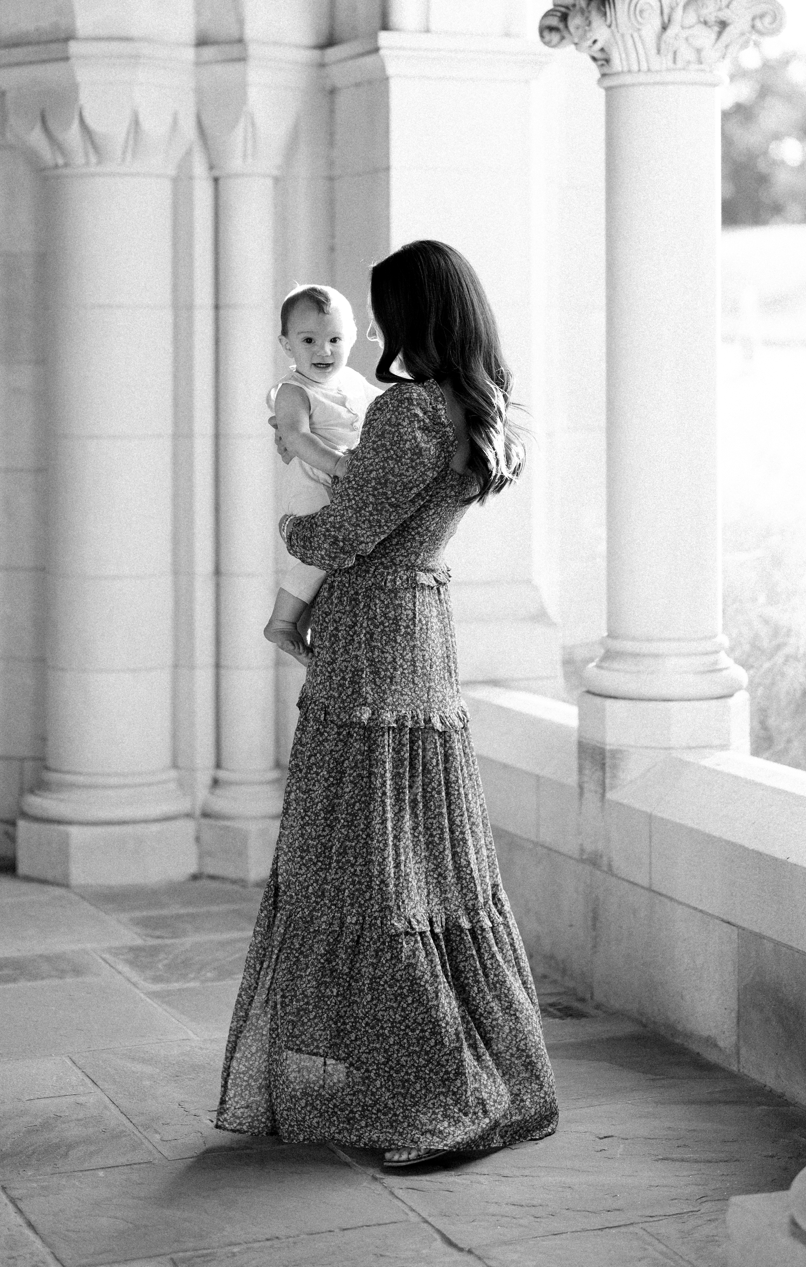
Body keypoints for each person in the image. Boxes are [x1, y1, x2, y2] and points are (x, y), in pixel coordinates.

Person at [217, 238, 559, 1167]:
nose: (368, 331)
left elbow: (344, 526)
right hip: (421, 625)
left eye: (381, 311)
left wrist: (286, 524)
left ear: (413, 315)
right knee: (418, 851)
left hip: (373, 634)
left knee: (374, 860)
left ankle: (436, 1089)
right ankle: (412, 1068)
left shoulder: (408, 409)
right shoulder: (469, 408)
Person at [263, 284, 376, 666]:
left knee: (331, 563)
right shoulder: (293, 391)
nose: (323, 351)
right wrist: (340, 465)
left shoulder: (355, 382)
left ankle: (303, 625)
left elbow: (385, 409)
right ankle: (281, 621)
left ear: (353, 338)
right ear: (286, 344)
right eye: (308, 339)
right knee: (323, 551)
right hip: (313, 484)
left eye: (334, 339)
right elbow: (295, 435)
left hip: (343, 488)